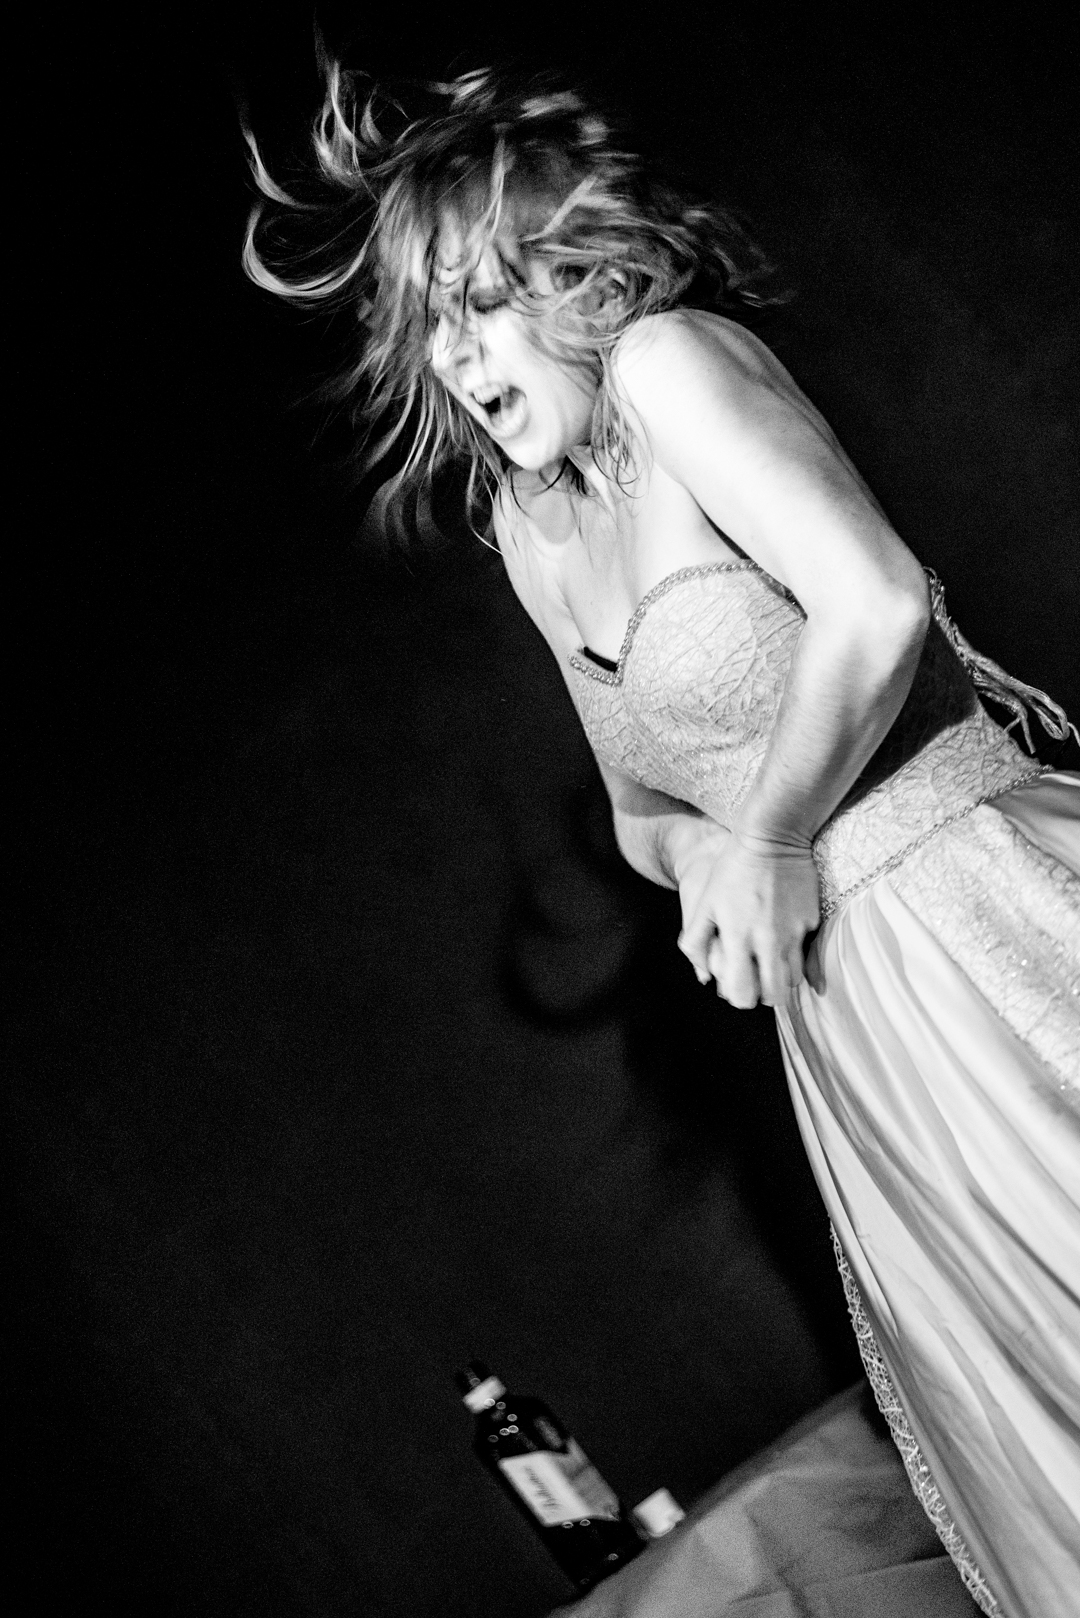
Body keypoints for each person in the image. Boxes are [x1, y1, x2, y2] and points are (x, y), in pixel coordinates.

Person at [242, 60, 1080, 1618]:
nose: (458, 360)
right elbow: (643, 818)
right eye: (428, 328)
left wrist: (764, 835)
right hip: (858, 1035)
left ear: (570, 273)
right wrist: (712, 861)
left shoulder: (665, 363)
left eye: (478, 305)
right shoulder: (530, 527)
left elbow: (876, 599)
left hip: (981, 910)